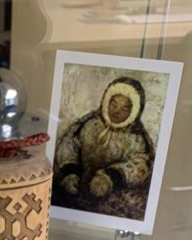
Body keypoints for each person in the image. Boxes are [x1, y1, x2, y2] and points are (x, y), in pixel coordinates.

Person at [53, 76, 154, 220]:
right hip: (76, 195)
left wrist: (112, 177)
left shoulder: (136, 138)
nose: (116, 111)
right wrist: (70, 172)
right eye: (114, 103)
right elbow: (69, 144)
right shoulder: (90, 124)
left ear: (134, 111)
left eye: (125, 108)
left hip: (110, 204)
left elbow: (141, 166)